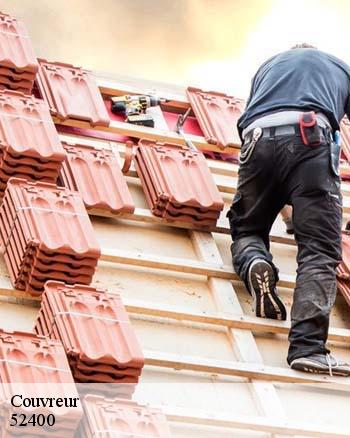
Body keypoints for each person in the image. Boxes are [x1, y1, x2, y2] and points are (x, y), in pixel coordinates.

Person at [227, 44, 350, 376]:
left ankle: (255, 261)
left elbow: (274, 154)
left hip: (256, 139)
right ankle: (308, 348)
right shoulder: (340, 68)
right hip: (312, 136)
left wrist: (289, 212)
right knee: (320, 250)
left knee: (248, 228)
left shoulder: (267, 67)